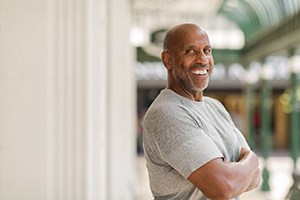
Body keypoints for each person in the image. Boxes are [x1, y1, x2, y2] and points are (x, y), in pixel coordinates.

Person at [142, 23, 261, 200]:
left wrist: (238, 172)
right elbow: (223, 188)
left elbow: (255, 179)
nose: (203, 59)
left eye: (207, 50)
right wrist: (252, 160)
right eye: (191, 51)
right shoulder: (166, 113)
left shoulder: (215, 107)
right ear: (167, 60)